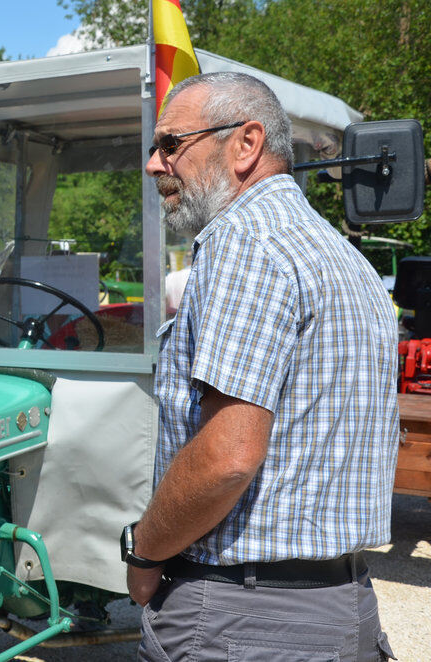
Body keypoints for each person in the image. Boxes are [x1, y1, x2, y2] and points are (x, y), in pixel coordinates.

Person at [124, 72, 398, 661]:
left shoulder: (244, 240)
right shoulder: (344, 258)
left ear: (246, 144)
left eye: (171, 144)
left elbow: (227, 458)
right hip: (343, 607)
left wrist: (143, 551)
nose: (153, 164)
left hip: (241, 623)